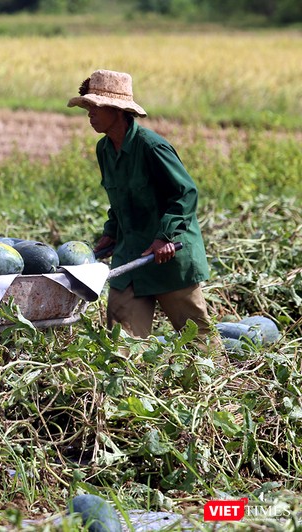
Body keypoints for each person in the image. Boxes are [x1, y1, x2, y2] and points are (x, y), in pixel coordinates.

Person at [67, 69, 220, 352]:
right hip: (130, 257)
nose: (90, 114)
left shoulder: (152, 147)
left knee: (197, 341)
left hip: (167, 257)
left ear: (118, 110)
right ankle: (122, 392)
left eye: (96, 107)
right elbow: (118, 199)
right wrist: (111, 233)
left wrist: (165, 236)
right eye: (88, 107)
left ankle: (215, 388)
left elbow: (185, 193)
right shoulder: (104, 150)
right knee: (120, 344)